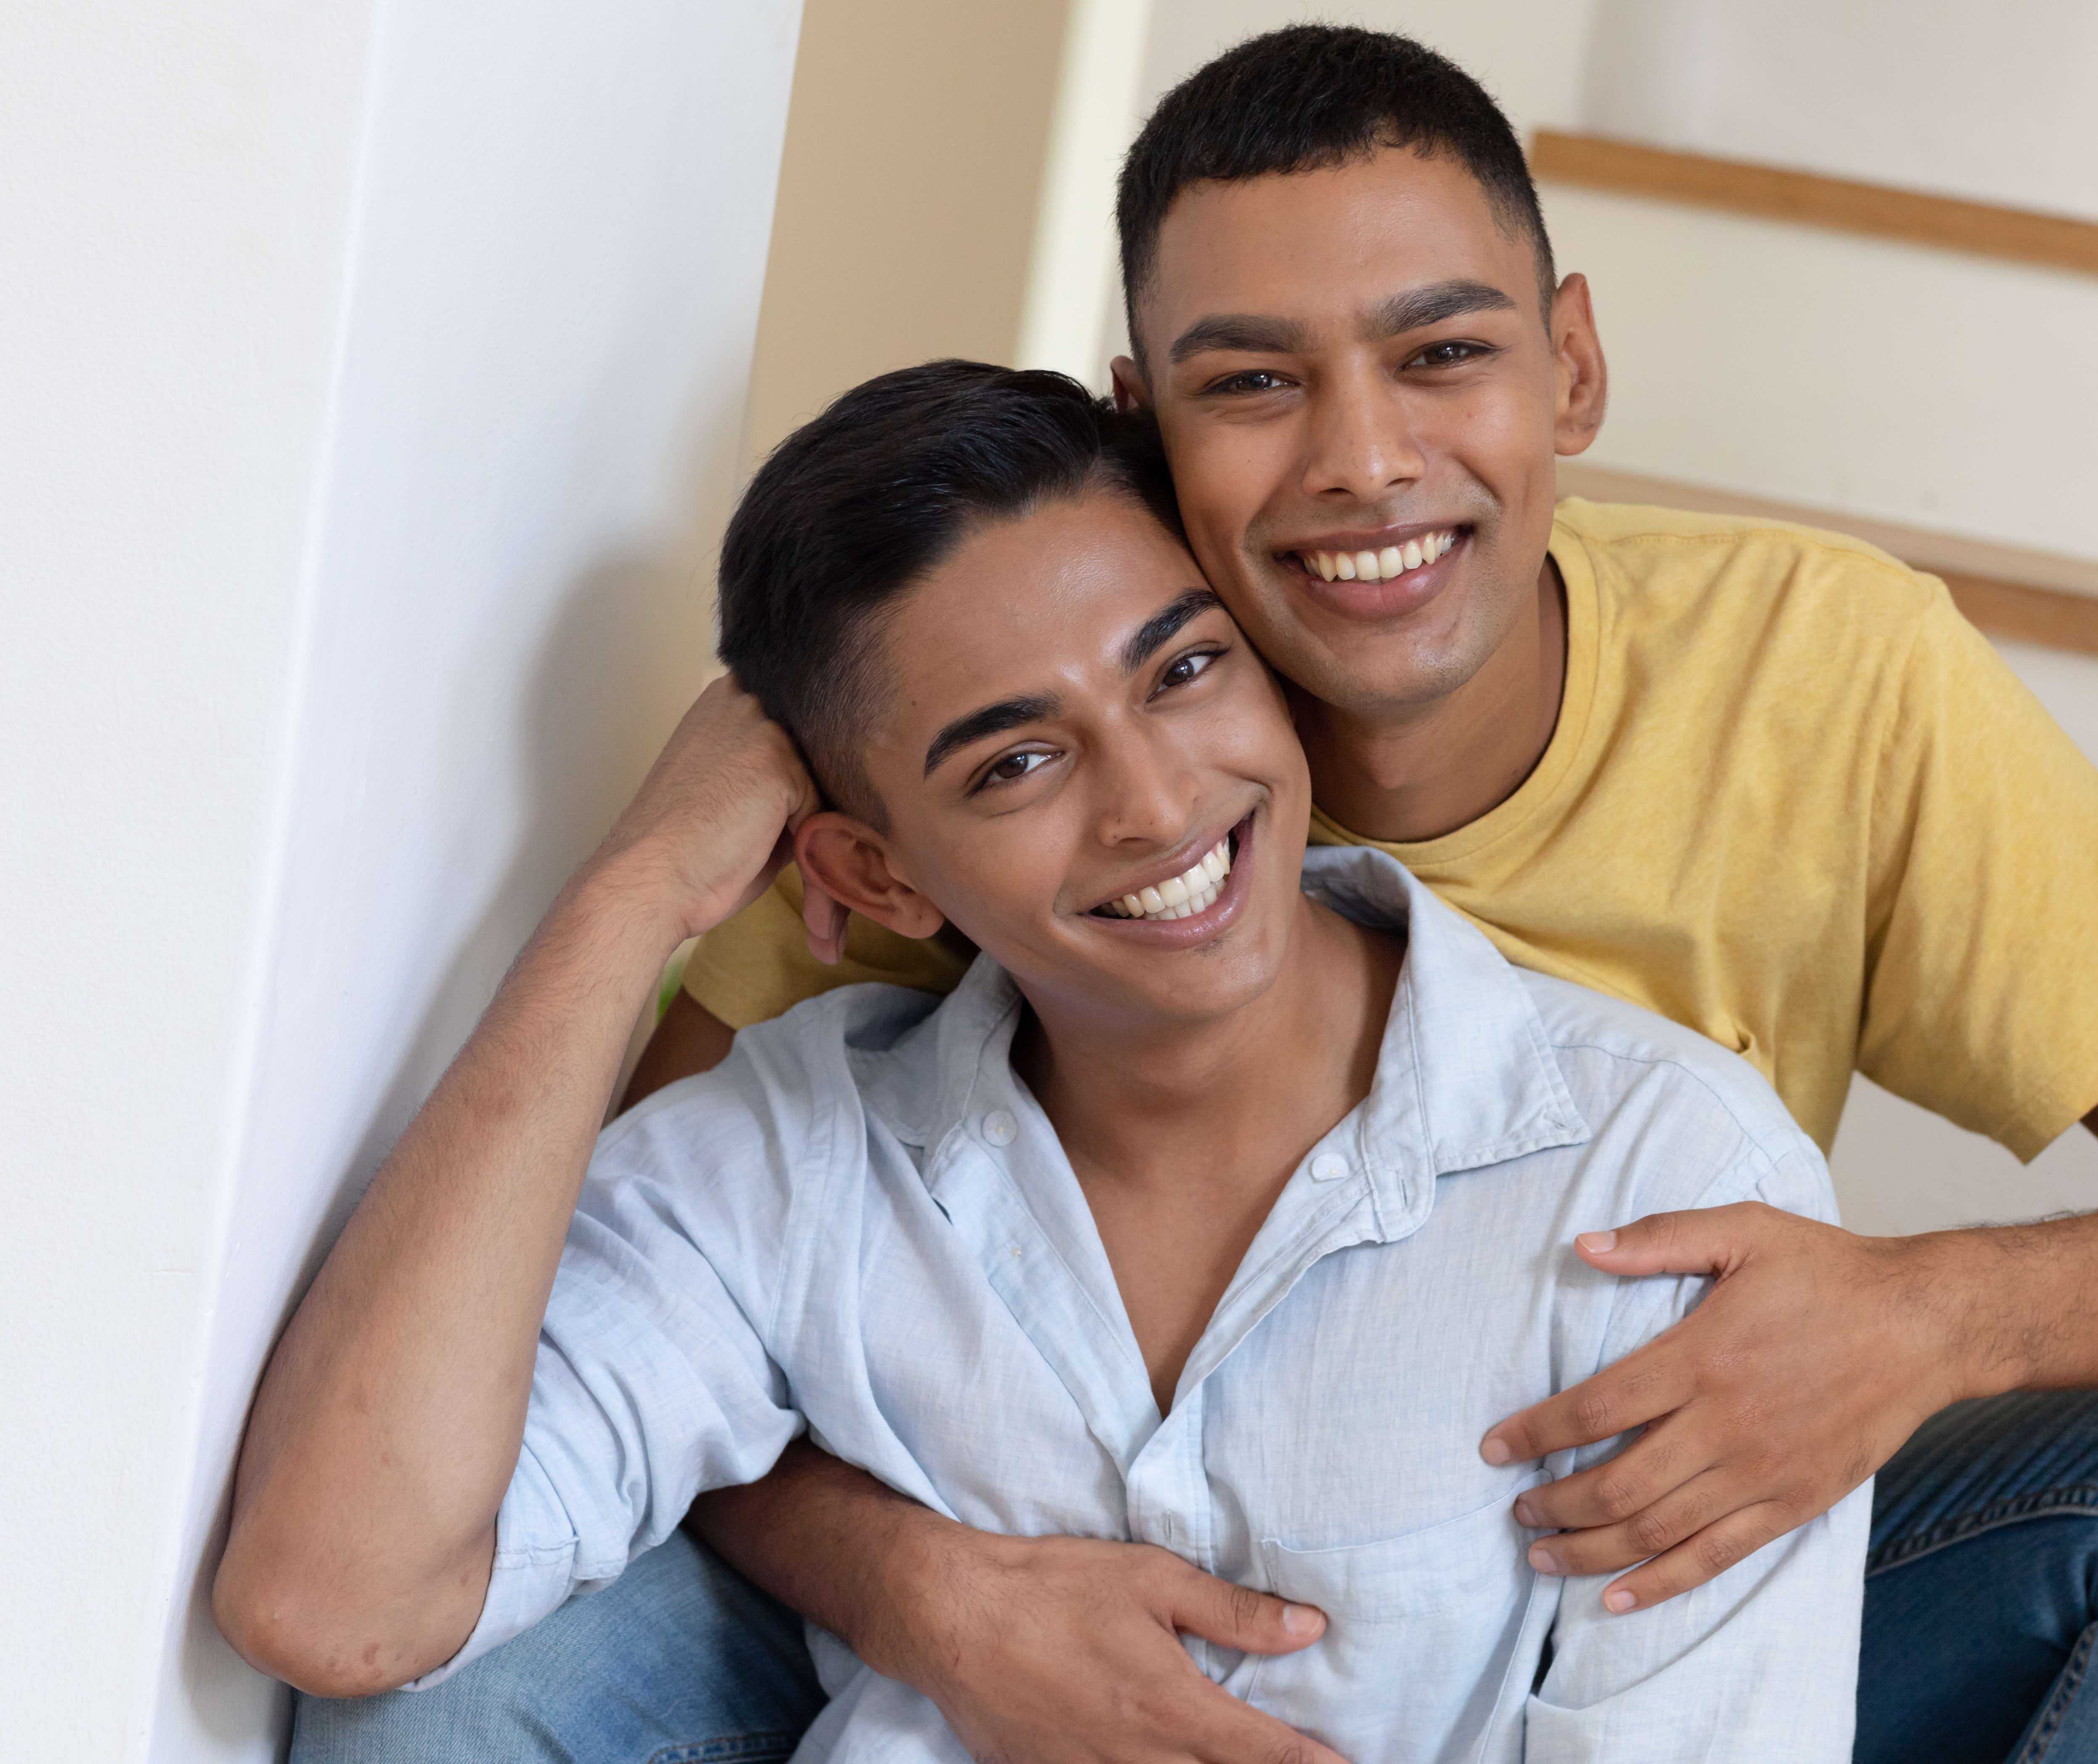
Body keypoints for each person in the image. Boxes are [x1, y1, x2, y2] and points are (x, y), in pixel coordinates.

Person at [287, 26, 2098, 1764]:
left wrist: (1921, 1323)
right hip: (1005, 1595)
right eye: (1252, 384)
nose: (1362, 463)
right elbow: (611, 1324)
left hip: (1636, 1550)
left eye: (1442, 355)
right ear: (1145, 434)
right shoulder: (961, 751)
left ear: (1572, 369)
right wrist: (928, 1592)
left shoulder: (1820, 690)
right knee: (440, 1688)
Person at [215, 362, 1868, 1762]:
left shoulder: (1657, 1179)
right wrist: (634, 895)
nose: (1155, 801)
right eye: (1016, 762)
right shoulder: (794, 1159)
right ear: (878, 877)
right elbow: (333, 1597)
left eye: (1188, 668)